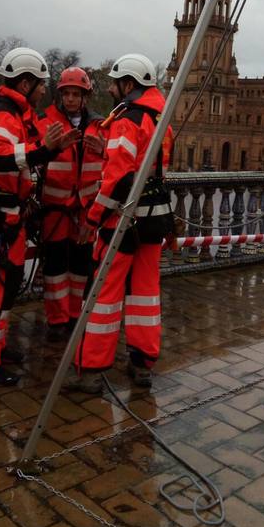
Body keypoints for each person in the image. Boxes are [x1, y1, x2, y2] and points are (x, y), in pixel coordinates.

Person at [0, 47, 74, 387]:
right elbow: (0, 157)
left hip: (8, 214)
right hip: (2, 217)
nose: (44, 90)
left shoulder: (8, 113)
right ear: (26, 82)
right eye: (41, 83)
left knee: (6, 288)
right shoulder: (4, 115)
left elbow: (7, 147)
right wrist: (45, 151)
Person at [73, 53, 174, 393]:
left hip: (123, 221)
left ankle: (91, 370)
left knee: (104, 295)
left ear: (128, 84)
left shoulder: (127, 120)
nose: (113, 91)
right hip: (155, 218)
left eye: (117, 84)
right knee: (145, 293)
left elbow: (117, 179)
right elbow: (148, 166)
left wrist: (92, 218)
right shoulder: (161, 118)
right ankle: (142, 364)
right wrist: (108, 150)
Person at [38, 67, 105, 341]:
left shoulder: (100, 126)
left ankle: (76, 316)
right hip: (55, 209)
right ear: (60, 95)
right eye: (66, 94)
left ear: (85, 96)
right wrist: (49, 146)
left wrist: (103, 150)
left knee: (81, 268)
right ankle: (57, 320)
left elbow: (116, 160)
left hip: (85, 210)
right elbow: (33, 155)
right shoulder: (46, 121)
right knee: (54, 268)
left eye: (76, 94)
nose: (71, 99)